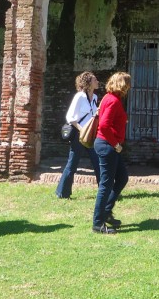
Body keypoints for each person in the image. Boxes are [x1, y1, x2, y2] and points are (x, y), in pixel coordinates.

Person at [91, 72, 131, 234]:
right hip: (108, 145)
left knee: (122, 178)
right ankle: (98, 223)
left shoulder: (109, 98)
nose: (129, 87)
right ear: (122, 84)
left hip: (107, 144)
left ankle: (106, 211)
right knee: (106, 185)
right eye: (127, 84)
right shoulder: (113, 101)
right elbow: (105, 126)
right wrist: (116, 144)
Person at [56, 71, 101, 199]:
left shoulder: (95, 98)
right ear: (88, 83)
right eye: (94, 80)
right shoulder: (80, 96)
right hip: (79, 134)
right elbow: (70, 117)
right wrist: (82, 129)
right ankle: (63, 192)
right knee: (73, 164)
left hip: (90, 134)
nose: (97, 82)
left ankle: (105, 192)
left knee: (98, 162)